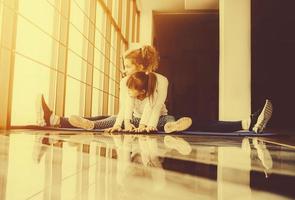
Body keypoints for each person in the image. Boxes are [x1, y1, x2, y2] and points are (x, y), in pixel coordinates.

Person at [36, 44, 192, 133]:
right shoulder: (125, 81)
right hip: (135, 118)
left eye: (127, 66)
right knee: (109, 118)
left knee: (169, 119)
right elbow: (125, 106)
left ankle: (171, 127)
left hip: (157, 118)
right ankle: (58, 120)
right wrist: (122, 123)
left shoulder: (161, 80)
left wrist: (148, 126)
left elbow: (156, 106)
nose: (124, 70)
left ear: (140, 66)